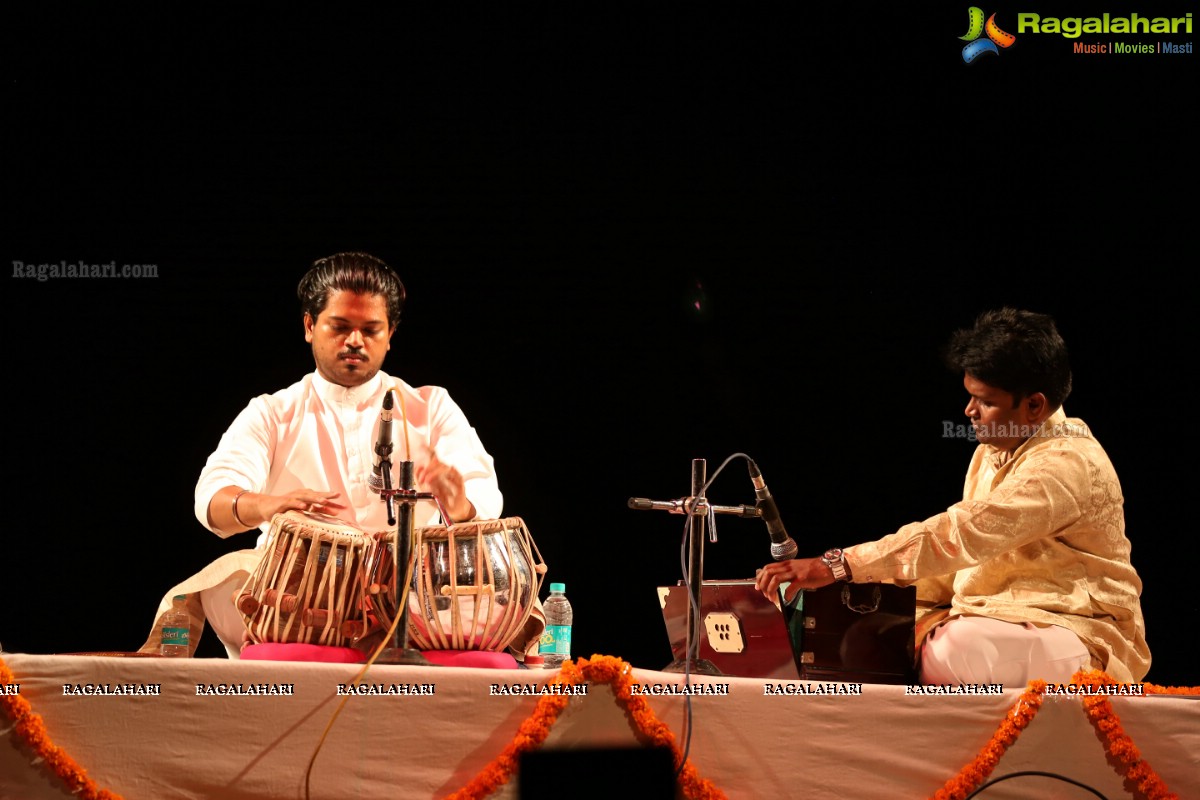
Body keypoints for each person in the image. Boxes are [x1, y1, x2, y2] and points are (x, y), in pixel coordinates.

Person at [140, 251, 538, 659]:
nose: (354, 341)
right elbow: (211, 501)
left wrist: (459, 505)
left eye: (371, 329)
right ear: (310, 326)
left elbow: (485, 502)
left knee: (505, 588)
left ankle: (388, 634)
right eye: (340, 326)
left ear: (390, 334)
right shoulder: (273, 412)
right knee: (227, 583)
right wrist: (268, 505)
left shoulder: (430, 407)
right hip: (304, 595)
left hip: (412, 595)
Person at [755, 308, 1150, 686]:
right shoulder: (991, 452)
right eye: (970, 396)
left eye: (986, 401)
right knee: (864, 636)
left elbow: (963, 534)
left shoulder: (1066, 462)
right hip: (989, 617)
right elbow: (961, 564)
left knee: (959, 649)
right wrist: (864, 592)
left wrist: (839, 565)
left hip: (1078, 632)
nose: (969, 411)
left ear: (1034, 405)